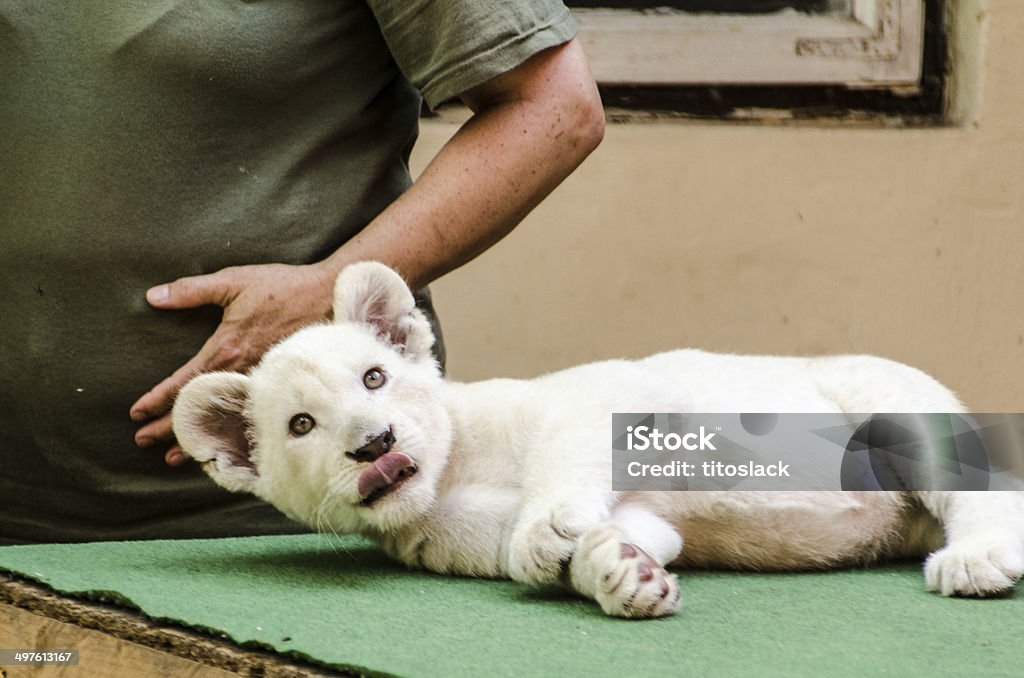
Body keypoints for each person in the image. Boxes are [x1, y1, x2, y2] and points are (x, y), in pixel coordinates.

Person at [0, 1, 604, 544]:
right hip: (22, 517)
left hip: (291, 536)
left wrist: (325, 290)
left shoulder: (553, 422)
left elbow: (556, 106)